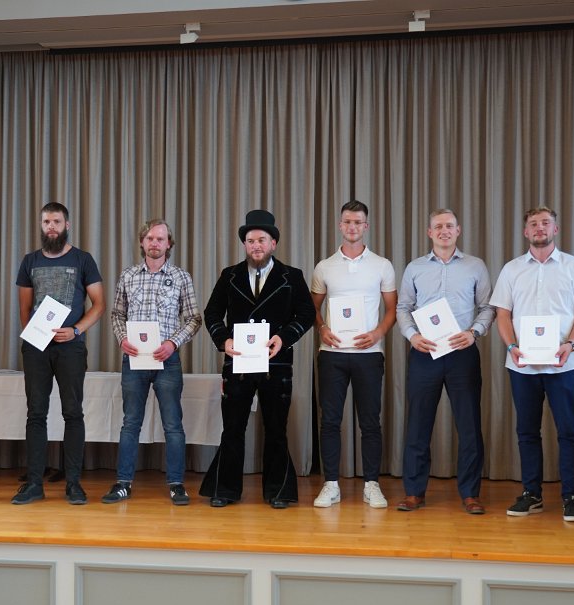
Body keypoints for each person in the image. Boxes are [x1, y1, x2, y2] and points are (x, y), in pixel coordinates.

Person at [489, 206, 574, 522]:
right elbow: (503, 314)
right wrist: (511, 346)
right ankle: (532, 494)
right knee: (526, 431)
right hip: (522, 366)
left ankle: (572, 497)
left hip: (564, 364)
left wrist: (570, 344)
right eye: (534, 224)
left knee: (569, 432)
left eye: (546, 223)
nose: (540, 228)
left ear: (556, 229)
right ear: (526, 231)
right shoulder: (511, 269)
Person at [199, 209, 316, 509]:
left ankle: (278, 491)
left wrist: (284, 337)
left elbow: (306, 314)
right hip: (237, 363)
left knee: (276, 429)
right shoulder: (229, 275)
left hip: (276, 364)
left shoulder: (292, 276)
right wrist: (223, 340)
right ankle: (225, 489)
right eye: (250, 241)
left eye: (261, 240)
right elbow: (212, 313)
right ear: (245, 245)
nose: (256, 246)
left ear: (273, 243)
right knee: (233, 428)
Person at [395, 209, 495, 514]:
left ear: (458, 230)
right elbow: (403, 307)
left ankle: (470, 494)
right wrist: (412, 336)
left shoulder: (475, 266)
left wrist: (474, 333)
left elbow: (487, 307)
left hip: (462, 354)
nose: (444, 231)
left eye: (449, 226)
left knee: (469, 426)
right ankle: (414, 492)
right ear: (429, 232)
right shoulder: (415, 268)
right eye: (438, 226)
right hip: (424, 353)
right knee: (418, 425)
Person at [11, 202, 105, 505]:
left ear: (67, 225)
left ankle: (73, 484)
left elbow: (99, 305)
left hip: (71, 348)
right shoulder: (29, 261)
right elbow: (25, 308)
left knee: (73, 413)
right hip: (36, 349)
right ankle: (34, 484)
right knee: (35, 413)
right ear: (41, 225)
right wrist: (34, 336)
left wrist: (76, 330)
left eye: (56, 222)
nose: (51, 227)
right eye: (46, 222)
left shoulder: (83, 259)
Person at [104, 219, 203, 505]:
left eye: (160, 239)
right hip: (134, 360)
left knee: (173, 424)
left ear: (169, 244)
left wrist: (173, 343)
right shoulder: (128, 276)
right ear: (142, 242)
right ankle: (123, 483)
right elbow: (116, 314)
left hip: (167, 361)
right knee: (130, 423)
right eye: (150, 238)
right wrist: (122, 338)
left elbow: (194, 319)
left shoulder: (181, 277)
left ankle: (176, 484)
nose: (155, 243)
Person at [310, 200, 398, 509]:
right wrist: (322, 328)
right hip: (332, 354)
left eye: (358, 222)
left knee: (370, 422)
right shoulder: (324, 266)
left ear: (366, 226)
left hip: (368, 354)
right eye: (347, 221)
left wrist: (377, 333)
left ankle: (372, 484)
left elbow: (392, 309)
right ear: (340, 225)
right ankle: (331, 484)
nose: (352, 227)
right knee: (330, 421)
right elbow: (312, 307)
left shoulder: (382, 265)